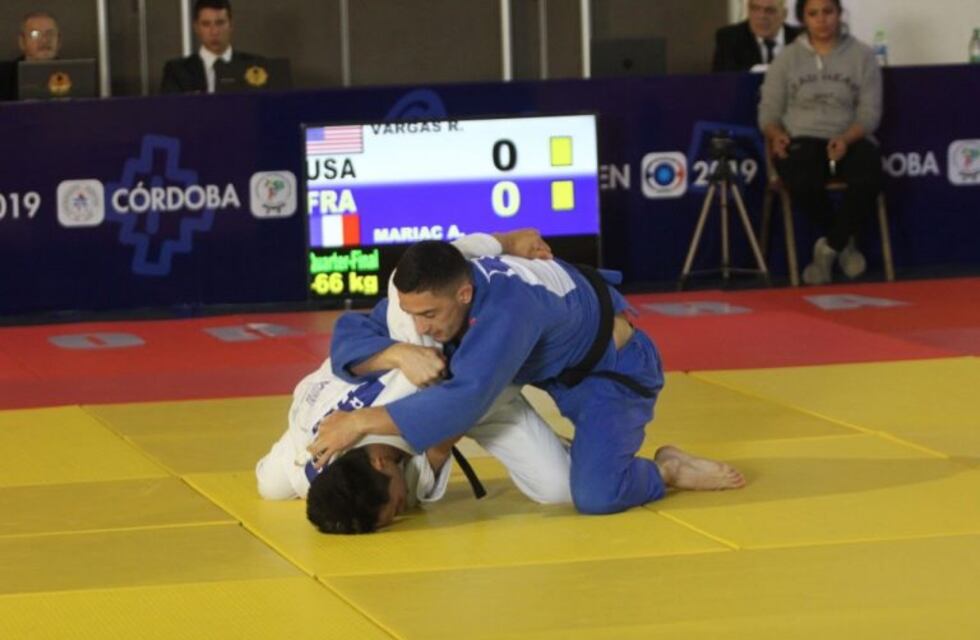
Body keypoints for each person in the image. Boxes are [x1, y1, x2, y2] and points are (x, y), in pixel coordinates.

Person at [309, 242, 746, 517]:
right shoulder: (450, 282)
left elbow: (466, 400)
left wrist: (362, 420)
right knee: (437, 359)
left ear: (463, 294)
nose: (421, 327)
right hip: (551, 371)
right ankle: (594, 455)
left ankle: (664, 470)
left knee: (595, 496)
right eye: (412, 314)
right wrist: (395, 351)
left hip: (609, 374)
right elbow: (352, 332)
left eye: (429, 315)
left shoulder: (508, 308)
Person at [256, 231, 573, 534]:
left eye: (394, 507)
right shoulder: (388, 485)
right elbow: (446, 432)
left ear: (381, 464)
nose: (402, 511)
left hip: (433, 372)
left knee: (272, 483)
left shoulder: (322, 429)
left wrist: (397, 354)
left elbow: (405, 283)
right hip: (475, 399)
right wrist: (460, 399)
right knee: (559, 487)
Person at [759, 0, 883, 285]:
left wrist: (846, 138)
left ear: (839, 14)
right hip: (801, 137)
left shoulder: (863, 55)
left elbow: (870, 112)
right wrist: (775, 134)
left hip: (849, 136)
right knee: (801, 179)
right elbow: (769, 111)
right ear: (803, 18)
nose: (821, 20)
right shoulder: (787, 58)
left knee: (869, 175)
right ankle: (842, 244)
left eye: (828, 12)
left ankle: (827, 249)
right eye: (813, 14)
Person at [160, 0, 263, 94]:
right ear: (196, 28)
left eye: (220, 23)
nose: (214, 32)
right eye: (206, 24)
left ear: (231, 25)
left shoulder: (253, 66)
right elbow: (170, 112)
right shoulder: (177, 72)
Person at [712, 0, 802, 72]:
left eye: (770, 10)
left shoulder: (801, 39)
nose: (762, 16)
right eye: (755, 9)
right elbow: (722, 82)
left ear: (784, 14)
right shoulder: (729, 38)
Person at [1, 11, 61, 101]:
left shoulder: (74, 74)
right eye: (35, 34)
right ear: (22, 42)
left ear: (59, 41)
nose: (44, 40)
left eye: (50, 34)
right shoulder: (3, 76)